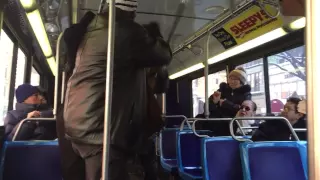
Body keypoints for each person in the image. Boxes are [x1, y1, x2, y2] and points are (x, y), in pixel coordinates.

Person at [63, 1, 172, 180]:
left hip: (80, 121)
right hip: (101, 129)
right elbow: (163, 55)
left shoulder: (91, 28)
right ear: (131, 12)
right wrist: (155, 35)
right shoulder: (127, 31)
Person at [208, 67, 252, 136]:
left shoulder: (246, 94)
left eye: (235, 79)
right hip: (218, 124)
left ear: (241, 81)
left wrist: (226, 104)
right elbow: (207, 105)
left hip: (235, 125)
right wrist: (214, 102)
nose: (232, 81)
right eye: (230, 78)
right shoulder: (222, 90)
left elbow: (245, 110)